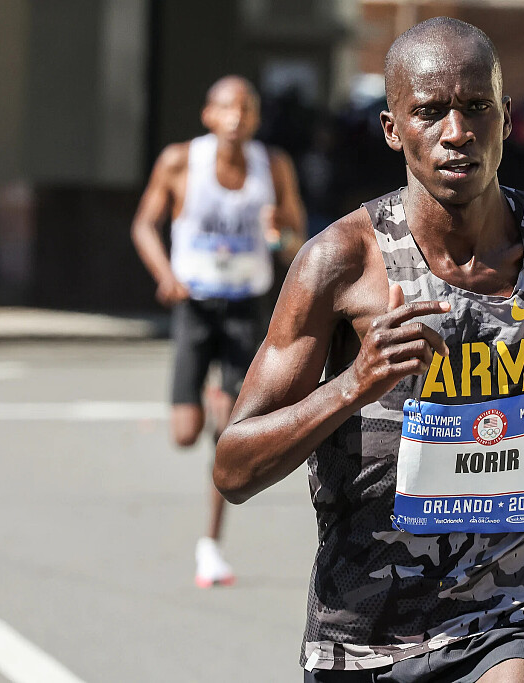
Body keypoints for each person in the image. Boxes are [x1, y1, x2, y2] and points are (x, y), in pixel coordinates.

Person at [215, 17, 524, 683]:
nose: (457, 131)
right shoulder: (341, 262)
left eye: (476, 107)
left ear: (505, 118)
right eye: (430, 111)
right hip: (366, 629)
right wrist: (355, 382)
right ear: (393, 129)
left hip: (511, 609)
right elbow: (234, 468)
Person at [131, 75, 306, 588]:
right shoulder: (181, 160)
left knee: (229, 434)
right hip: (195, 304)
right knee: (186, 434)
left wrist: (278, 235)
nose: (237, 117)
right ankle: (210, 396)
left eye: (247, 109)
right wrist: (165, 274)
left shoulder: (273, 165)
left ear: (256, 118)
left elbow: (296, 241)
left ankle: (210, 545)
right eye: (228, 108)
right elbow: (143, 225)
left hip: (244, 307)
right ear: (209, 115)